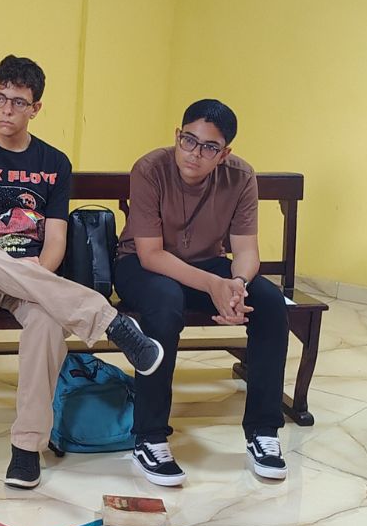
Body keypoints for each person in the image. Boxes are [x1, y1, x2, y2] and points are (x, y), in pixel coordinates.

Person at [0, 54, 163, 489]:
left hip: (33, 277)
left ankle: (26, 449)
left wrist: (36, 273)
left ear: (36, 108)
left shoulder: (54, 162)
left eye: (18, 102)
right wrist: (8, 265)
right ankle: (109, 322)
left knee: (45, 322)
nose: (6, 109)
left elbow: (55, 241)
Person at [114, 99, 289, 486]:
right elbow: (150, 254)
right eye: (189, 140)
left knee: (270, 303)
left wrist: (237, 286)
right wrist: (213, 285)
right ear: (177, 136)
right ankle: (149, 437)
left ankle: (263, 431)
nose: (195, 153)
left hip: (209, 264)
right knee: (165, 303)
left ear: (224, 153)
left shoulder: (241, 176)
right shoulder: (150, 169)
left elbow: (246, 251)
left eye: (209, 147)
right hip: (141, 266)